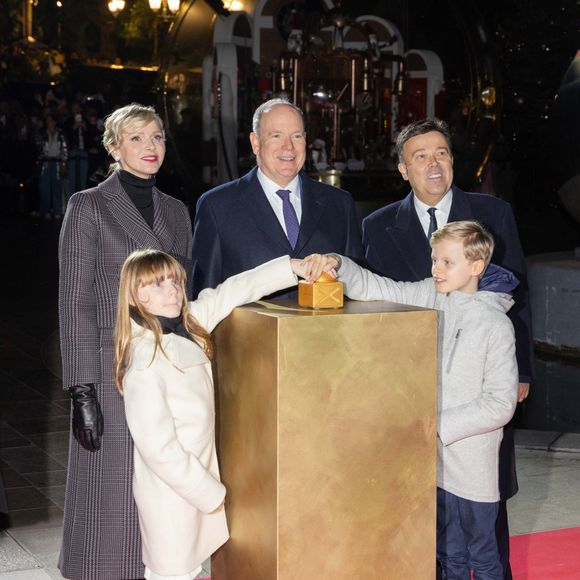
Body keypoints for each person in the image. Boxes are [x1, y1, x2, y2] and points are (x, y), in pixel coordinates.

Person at [362, 118, 532, 578]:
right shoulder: (376, 226)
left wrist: (523, 373)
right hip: (414, 391)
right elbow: (380, 299)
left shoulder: (493, 213)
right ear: (403, 169)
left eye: (441, 152)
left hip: (480, 382)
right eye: (421, 156)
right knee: (433, 516)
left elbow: (519, 296)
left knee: (485, 512)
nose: (433, 163)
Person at [303, 220, 518, 578]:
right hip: (433, 464)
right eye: (434, 260)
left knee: (482, 556)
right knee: (448, 555)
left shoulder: (496, 324)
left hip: (473, 466)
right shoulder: (431, 294)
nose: (436, 269)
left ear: (476, 267)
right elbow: (378, 287)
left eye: (447, 262)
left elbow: (500, 403)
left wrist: (437, 425)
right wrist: (338, 263)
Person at [114, 248, 311, 580]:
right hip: (173, 493)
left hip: (192, 486)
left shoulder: (186, 324)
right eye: (158, 284)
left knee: (186, 569)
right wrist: (209, 491)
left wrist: (291, 267)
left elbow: (233, 290)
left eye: (175, 280)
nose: (173, 290)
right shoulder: (146, 359)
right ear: (135, 296)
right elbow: (158, 449)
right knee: (170, 572)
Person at [58, 103, 193, 580]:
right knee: (107, 487)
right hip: (110, 368)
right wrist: (81, 388)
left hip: (162, 366)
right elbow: (74, 300)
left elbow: (184, 299)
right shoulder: (88, 206)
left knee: (160, 483)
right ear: (114, 148)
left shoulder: (176, 211)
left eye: (156, 137)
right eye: (135, 139)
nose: (150, 147)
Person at [191, 97, 364, 298]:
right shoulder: (217, 207)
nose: (288, 147)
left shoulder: (339, 204)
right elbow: (205, 296)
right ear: (255, 143)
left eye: (296, 136)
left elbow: (359, 284)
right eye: (276, 136)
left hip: (328, 328)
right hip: (249, 330)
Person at [35, 113, 68, 219]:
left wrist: (63, 163)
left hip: (57, 163)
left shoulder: (60, 134)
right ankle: (46, 210)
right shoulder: (42, 134)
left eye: (50, 120)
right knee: (44, 189)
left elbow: (64, 149)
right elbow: (38, 148)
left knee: (56, 188)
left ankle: (57, 211)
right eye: (47, 121)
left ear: (54, 121)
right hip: (46, 164)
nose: (49, 123)